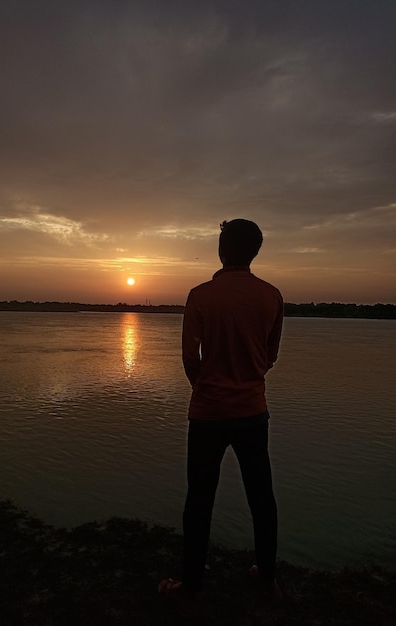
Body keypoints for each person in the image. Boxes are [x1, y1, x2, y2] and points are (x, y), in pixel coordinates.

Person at [158, 218, 284, 614]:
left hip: (208, 412)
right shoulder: (272, 296)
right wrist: (246, 378)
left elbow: (188, 358)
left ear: (221, 249)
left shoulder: (200, 295)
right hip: (252, 411)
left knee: (199, 499)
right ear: (254, 251)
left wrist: (206, 386)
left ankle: (191, 588)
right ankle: (267, 579)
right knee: (262, 497)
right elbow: (271, 356)